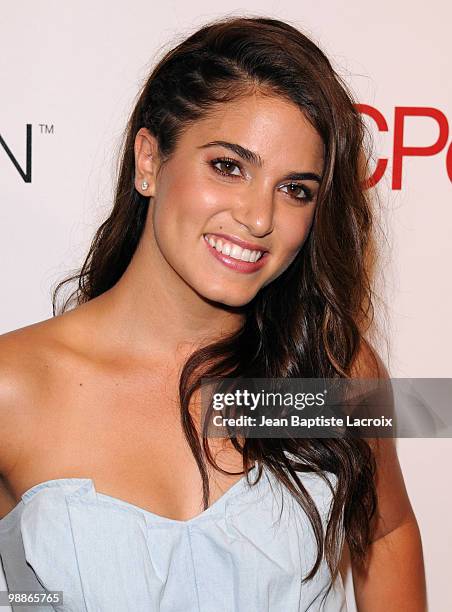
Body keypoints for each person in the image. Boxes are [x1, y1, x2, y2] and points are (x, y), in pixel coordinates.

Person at [0, 15, 426, 612]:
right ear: (149, 160)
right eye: (229, 166)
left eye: (295, 189)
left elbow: (385, 532)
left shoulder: (328, 369)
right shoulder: (12, 387)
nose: (258, 218)